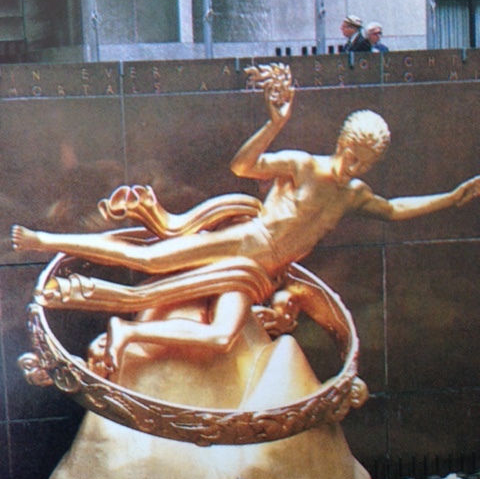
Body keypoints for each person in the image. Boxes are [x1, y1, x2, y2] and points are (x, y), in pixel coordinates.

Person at [11, 63, 480, 365]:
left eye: (366, 163)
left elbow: (394, 210)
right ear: (342, 143)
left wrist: (452, 197)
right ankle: (44, 241)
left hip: (258, 275)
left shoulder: (353, 195)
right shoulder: (303, 166)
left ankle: (127, 334)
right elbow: (243, 167)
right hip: (247, 242)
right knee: (151, 257)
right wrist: (275, 123)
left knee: (221, 338)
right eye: (353, 155)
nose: (355, 167)